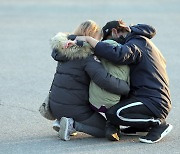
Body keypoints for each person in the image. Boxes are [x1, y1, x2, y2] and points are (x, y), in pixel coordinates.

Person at [75, 20, 173, 143]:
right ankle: (141, 125)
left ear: (115, 32)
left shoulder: (137, 42)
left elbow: (118, 54)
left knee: (114, 114)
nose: (110, 44)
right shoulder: (142, 41)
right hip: (150, 97)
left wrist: (89, 39)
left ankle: (158, 124)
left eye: (109, 41)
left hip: (152, 101)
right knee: (118, 110)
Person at [49, 20, 130, 141]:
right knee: (105, 130)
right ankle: (72, 125)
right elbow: (104, 80)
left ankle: (60, 120)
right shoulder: (87, 56)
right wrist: (126, 88)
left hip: (54, 104)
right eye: (98, 38)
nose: (99, 42)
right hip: (74, 108)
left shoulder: (64, 49)